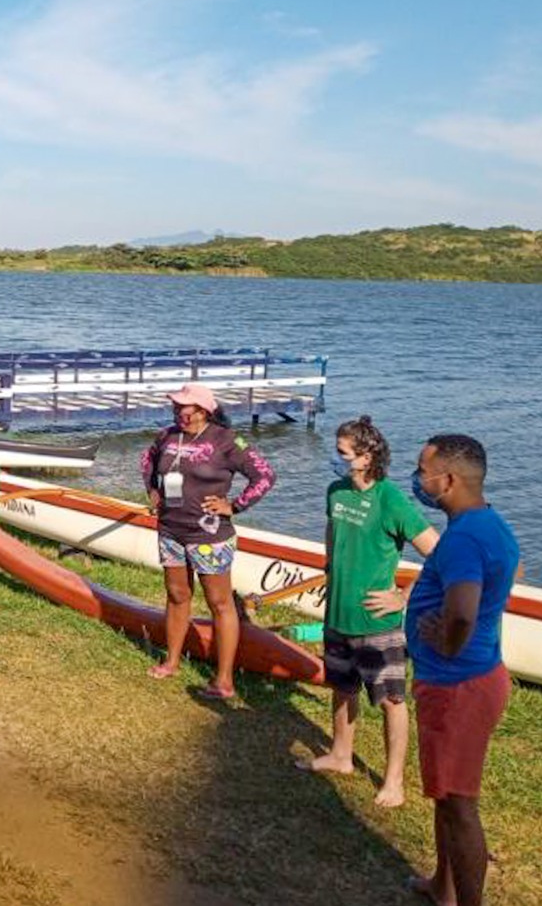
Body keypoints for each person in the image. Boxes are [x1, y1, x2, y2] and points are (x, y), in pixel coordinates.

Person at [300, 416, 438, 807]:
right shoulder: (336, 492)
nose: (336, 457)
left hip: (378, 623)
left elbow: (440, 552)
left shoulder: (391, 499)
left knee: (392, 700)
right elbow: (333, 530)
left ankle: (393, 782)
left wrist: (403, 596)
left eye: (342, 452)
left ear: (365, 457)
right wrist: (333, 565)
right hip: (338, 615)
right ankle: (341, 755)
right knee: (342, 688)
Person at [404, 434, 519, 906]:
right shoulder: (490, 524)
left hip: (457, 688)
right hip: (472, 679)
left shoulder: (463, 540)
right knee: (446, 794)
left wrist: (446, 642)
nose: (417, 479)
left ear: (446, 480)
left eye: (422, 470)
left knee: (459, 806)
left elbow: (464, 611)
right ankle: (442, 885)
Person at [140, 383, 275, 699]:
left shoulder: (227, 441)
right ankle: (172, 661)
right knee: (176, 594)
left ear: (203, 410)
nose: (178, 413)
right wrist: (154, 493)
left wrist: (235, 506)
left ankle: (224, 680)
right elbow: (147, 462)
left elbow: (265, 475)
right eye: (175, 407)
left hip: (209, 536)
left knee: (219, 602)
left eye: (183, 408)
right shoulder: (166, 436)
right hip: (171, 529)